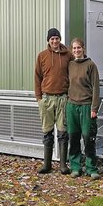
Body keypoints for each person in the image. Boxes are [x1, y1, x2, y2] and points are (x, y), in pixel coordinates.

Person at [34, 28, 72, 174]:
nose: (55, 41)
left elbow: (75, 72)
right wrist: (39, 98)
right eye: (52, 39)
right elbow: (37, 77)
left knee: (63, 132)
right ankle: (47, 165)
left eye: (57, 38)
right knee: (47, 132)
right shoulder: (42, 56)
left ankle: (63, 165)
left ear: (60, 39)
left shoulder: (68, 55)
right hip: (46, 99)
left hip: (63, 98)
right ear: (48, 41)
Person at [66, 38, 101, 179]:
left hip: (86, 106)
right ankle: (75, 167)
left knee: (88, 137)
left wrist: (94, 108)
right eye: (74, 48)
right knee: (73, 137)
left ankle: (91, 168)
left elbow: (96, 88)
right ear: (71, 50)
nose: (76, 50)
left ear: (83, 49)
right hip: (72, 105)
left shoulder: (91, 65)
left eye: (78, 48)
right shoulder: (70, 65)